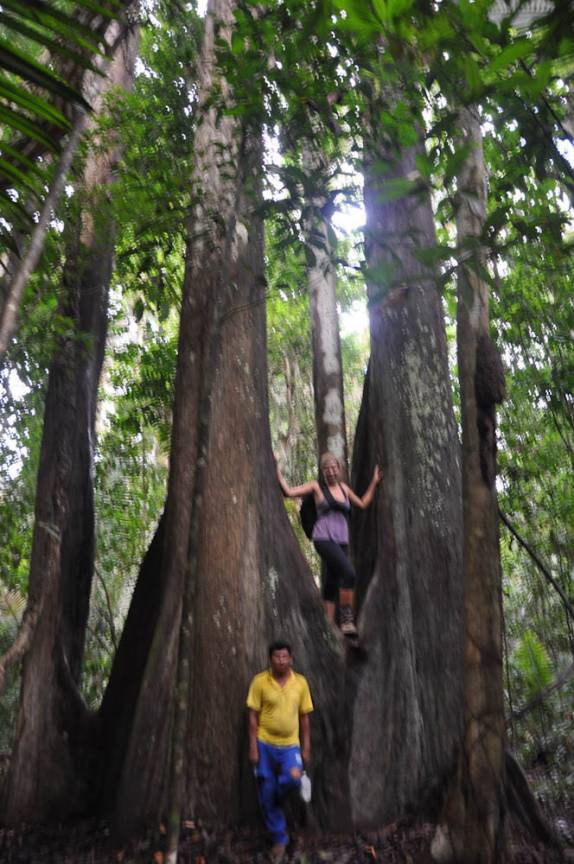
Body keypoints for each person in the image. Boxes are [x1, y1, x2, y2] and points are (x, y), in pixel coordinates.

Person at [276, 453, 381, 636]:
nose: (330, 472)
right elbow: (288, 492)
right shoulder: (316, 487)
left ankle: (328, 625)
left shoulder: (344, 489)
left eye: (333, 468)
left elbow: (363, 503)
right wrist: (276, 467)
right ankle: (347, 622)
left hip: (342, 540)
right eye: (327, 468)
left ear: (339, 469)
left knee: (332, 582)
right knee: (349, 573)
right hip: (323, 538)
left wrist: (374, 481)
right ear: (322, 471)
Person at [247, 641, 313, 863]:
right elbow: (252, 717)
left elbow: (304, 718)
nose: (282, 661)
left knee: (293, 779)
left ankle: (277, 795)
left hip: (290, 746)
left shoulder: (300, 683)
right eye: (277, 657)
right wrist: (253, 747)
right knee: (265, 791)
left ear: (291, 659)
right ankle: (280, 839)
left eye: (285, 657)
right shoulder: (260, 682)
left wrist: (306, 747)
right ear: (270, 659)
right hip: (264, 744)